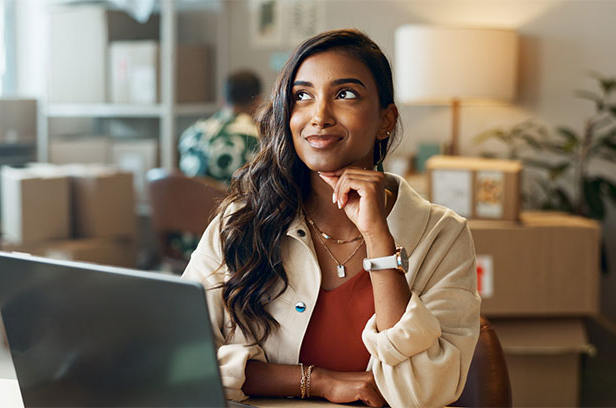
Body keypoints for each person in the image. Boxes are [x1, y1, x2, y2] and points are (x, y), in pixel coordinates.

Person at [182, 29, 480, 407]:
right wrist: (316, 381)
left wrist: (378, 238)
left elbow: (424, 391)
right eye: (302, 96)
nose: (319, 116)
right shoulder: (240, 221)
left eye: (345, 94)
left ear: (386, 119)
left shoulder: (443, 235)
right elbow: (182, 360)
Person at [178, 70, 262, 184]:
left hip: (192, 201)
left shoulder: (191, 134)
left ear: (224, 100)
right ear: (258, 102)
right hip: (235, 201)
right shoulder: (257, 137)